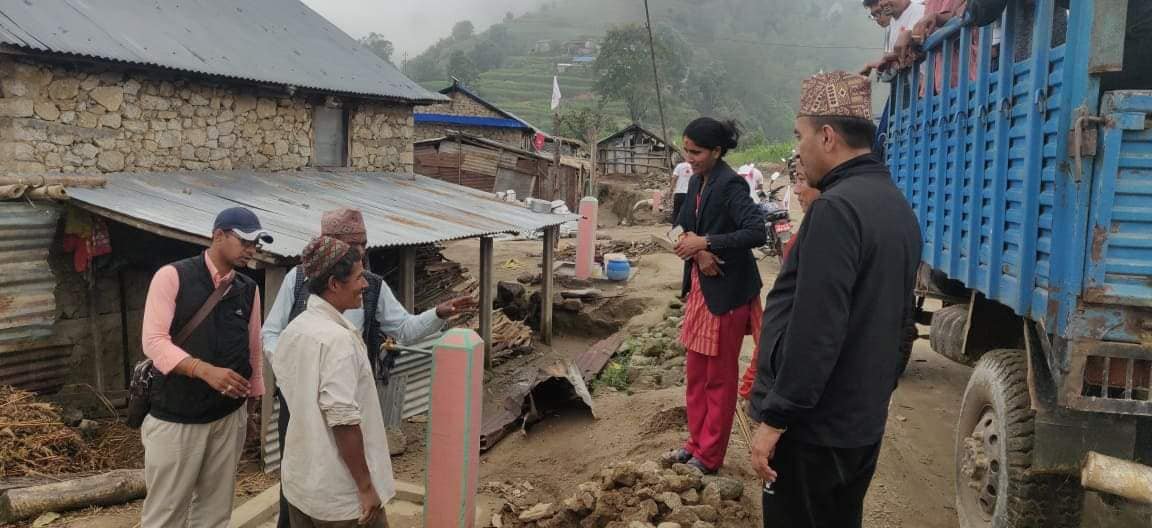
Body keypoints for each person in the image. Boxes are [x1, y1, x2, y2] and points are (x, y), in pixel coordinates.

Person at [748, 72, 922, 527]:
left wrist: (775, 419)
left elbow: (815, 330)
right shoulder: (896, 206)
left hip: (813, 432)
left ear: (827, 136)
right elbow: (901, 324)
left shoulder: (836, 209)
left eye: (799, 136)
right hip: (859, 424)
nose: (798, 150)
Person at [262, 208, 475, 528]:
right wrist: (299, 375)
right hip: (304, 401)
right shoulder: (301, 286)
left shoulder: (369, 286)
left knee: (323, 477)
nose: (361, 251)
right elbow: (271, 335)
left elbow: (403, 329)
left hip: (345, 397)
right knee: (307, 481)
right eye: (353, 244)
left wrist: (438, 314)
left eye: (364, 243)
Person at [139, 207, 273, 528]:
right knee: (166, 514)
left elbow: (253, 351)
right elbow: (154, 342)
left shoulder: (248, 289)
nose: (251, 250)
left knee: (215, 513)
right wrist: (204, 370)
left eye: (256, 244)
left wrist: (251, 408)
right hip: (177, 417)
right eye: (245, 242)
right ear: (218, 236)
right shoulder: (173, 276)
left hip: (228, 417)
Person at [664, 118, 767, 474]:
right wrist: (698, 253)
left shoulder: (731, 185)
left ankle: (709, 456)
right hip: (700, 292)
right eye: (686, 150)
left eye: (696, 152)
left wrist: (707, 242)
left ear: (717, 151)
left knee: (719, 380)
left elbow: (756, 231)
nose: (689, 158)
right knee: (696, 375)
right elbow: (678, 227)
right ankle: (694, 444)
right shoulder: (695, 181)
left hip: (727, 294)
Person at [272, 236, 391, 528]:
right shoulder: (337, 341)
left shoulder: (295, 330)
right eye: (359, 277)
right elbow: (343, 420)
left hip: (301, 485)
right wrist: (366, 487)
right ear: (334, 284)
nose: (365, 285)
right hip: (342, 497)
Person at [738, 156, 818, 402]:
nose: (796, 190)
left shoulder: (811, 239)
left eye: (802, 180)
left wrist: (752, 382)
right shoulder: (808, 233)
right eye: (795, 181)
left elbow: (783, 315)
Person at [860, 0, 895, 76]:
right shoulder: (889, 29)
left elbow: (897, 55)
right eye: (874, 15)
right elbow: (888, 59)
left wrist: (869, 65)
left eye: (878, 12)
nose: (877, 19)